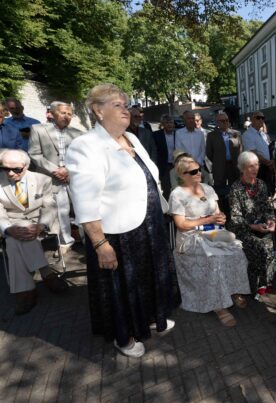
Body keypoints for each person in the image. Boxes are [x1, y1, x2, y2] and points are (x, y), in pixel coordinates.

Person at [65, 84, 180, 358]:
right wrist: (100, 242)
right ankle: (124, 336)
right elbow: (85, 201)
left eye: (126, 104)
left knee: (150, 276)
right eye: (117, 105)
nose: (125, 109)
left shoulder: (132, 138)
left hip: (148, 225)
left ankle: (152, 318)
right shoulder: (86, 146)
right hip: (118, 234)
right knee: (122, 287)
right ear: (97, 111)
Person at [169, 155, 250, 327]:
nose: (199, 173)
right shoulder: (177, 194)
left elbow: (218, 213)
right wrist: (206, 220)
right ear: (182, 174)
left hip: (212, 232)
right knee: (214, 259)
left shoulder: (207, 188)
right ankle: (218, 305)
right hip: (191, 237)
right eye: (193, 172)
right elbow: (181, 224)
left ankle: (232, 290)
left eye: (199, 169)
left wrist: (221, 218)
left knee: (237, 250)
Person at [0, 149, 68, 315]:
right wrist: (8, 229)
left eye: (15, 169)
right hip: (12, 225)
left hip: (40, 225)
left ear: (25, 166)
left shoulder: (42, 179)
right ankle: (47, 275)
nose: (9, 173)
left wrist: (40, 226)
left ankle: (26, 293)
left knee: (14, 242)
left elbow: (50, 206)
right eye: (4, 168)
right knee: (12, 239)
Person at [28, 101, 83, 250]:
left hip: (72, 177)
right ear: (52, 114)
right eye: (63, 113)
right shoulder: (38, 129)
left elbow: (82, 157)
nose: (67, 116)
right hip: (51, 178)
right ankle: (65, 242)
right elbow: (34, 153)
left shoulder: (78, 133)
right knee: (61, 211)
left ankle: (87, 240)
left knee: (82, 209)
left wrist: (68, 170)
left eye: (69, 114)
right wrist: (56, 170)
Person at [227, 152, 276, 297]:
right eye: (251, 166)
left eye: (257, 165)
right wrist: (253, 227)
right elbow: (235, 218)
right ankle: (258, 283)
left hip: (262, 227)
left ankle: (268, 279)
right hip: (243, 229)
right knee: (262, 247)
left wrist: (271, 220)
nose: (255, 169)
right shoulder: (236, 189)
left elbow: (268, 208)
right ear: (242, 168)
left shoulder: (261, 184)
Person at [205, 112, 242, 215]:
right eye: (222, 121)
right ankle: (222, 213)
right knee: (220, 190)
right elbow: (209, 152)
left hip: (234, 165)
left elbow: (240, 149)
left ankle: (236, 212)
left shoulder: (236, 133)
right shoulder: (211, 135)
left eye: (227, 120)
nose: (225, 123)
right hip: (219, 166)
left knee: (235, 188)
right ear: (217, 122)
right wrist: (218, 161)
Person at [241, 111, 275, 196]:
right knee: (257, 195)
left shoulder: (264, 135)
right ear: (252, 119)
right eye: (258, 117)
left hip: (267, 167)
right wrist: (268, 162)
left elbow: (270, 149)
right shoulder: (247, 135)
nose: (261, 120)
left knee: (268, 193)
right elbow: (253, 153)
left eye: (263, 118)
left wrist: (272, 161)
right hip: (257, 169)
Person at [175, 111, 207, 182]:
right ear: (184, 120)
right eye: (188, 118)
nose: (191, 120)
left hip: (199, 166)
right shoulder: (179, 133)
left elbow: (203, 150)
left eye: (192, 118)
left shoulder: (200, 133)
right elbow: (179, 151)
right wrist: (189, 164)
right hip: (185, 168)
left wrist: (197, 162)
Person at [152, 114, 176, 199]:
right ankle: (167, 210)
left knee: (177, 187)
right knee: (166, 188)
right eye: (167, 122)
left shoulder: (178, 134)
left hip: (176, 165)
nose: (170, 124)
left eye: (171, 122)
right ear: (162, 124)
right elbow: (155, 151)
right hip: (164, 166)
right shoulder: (156, 135)